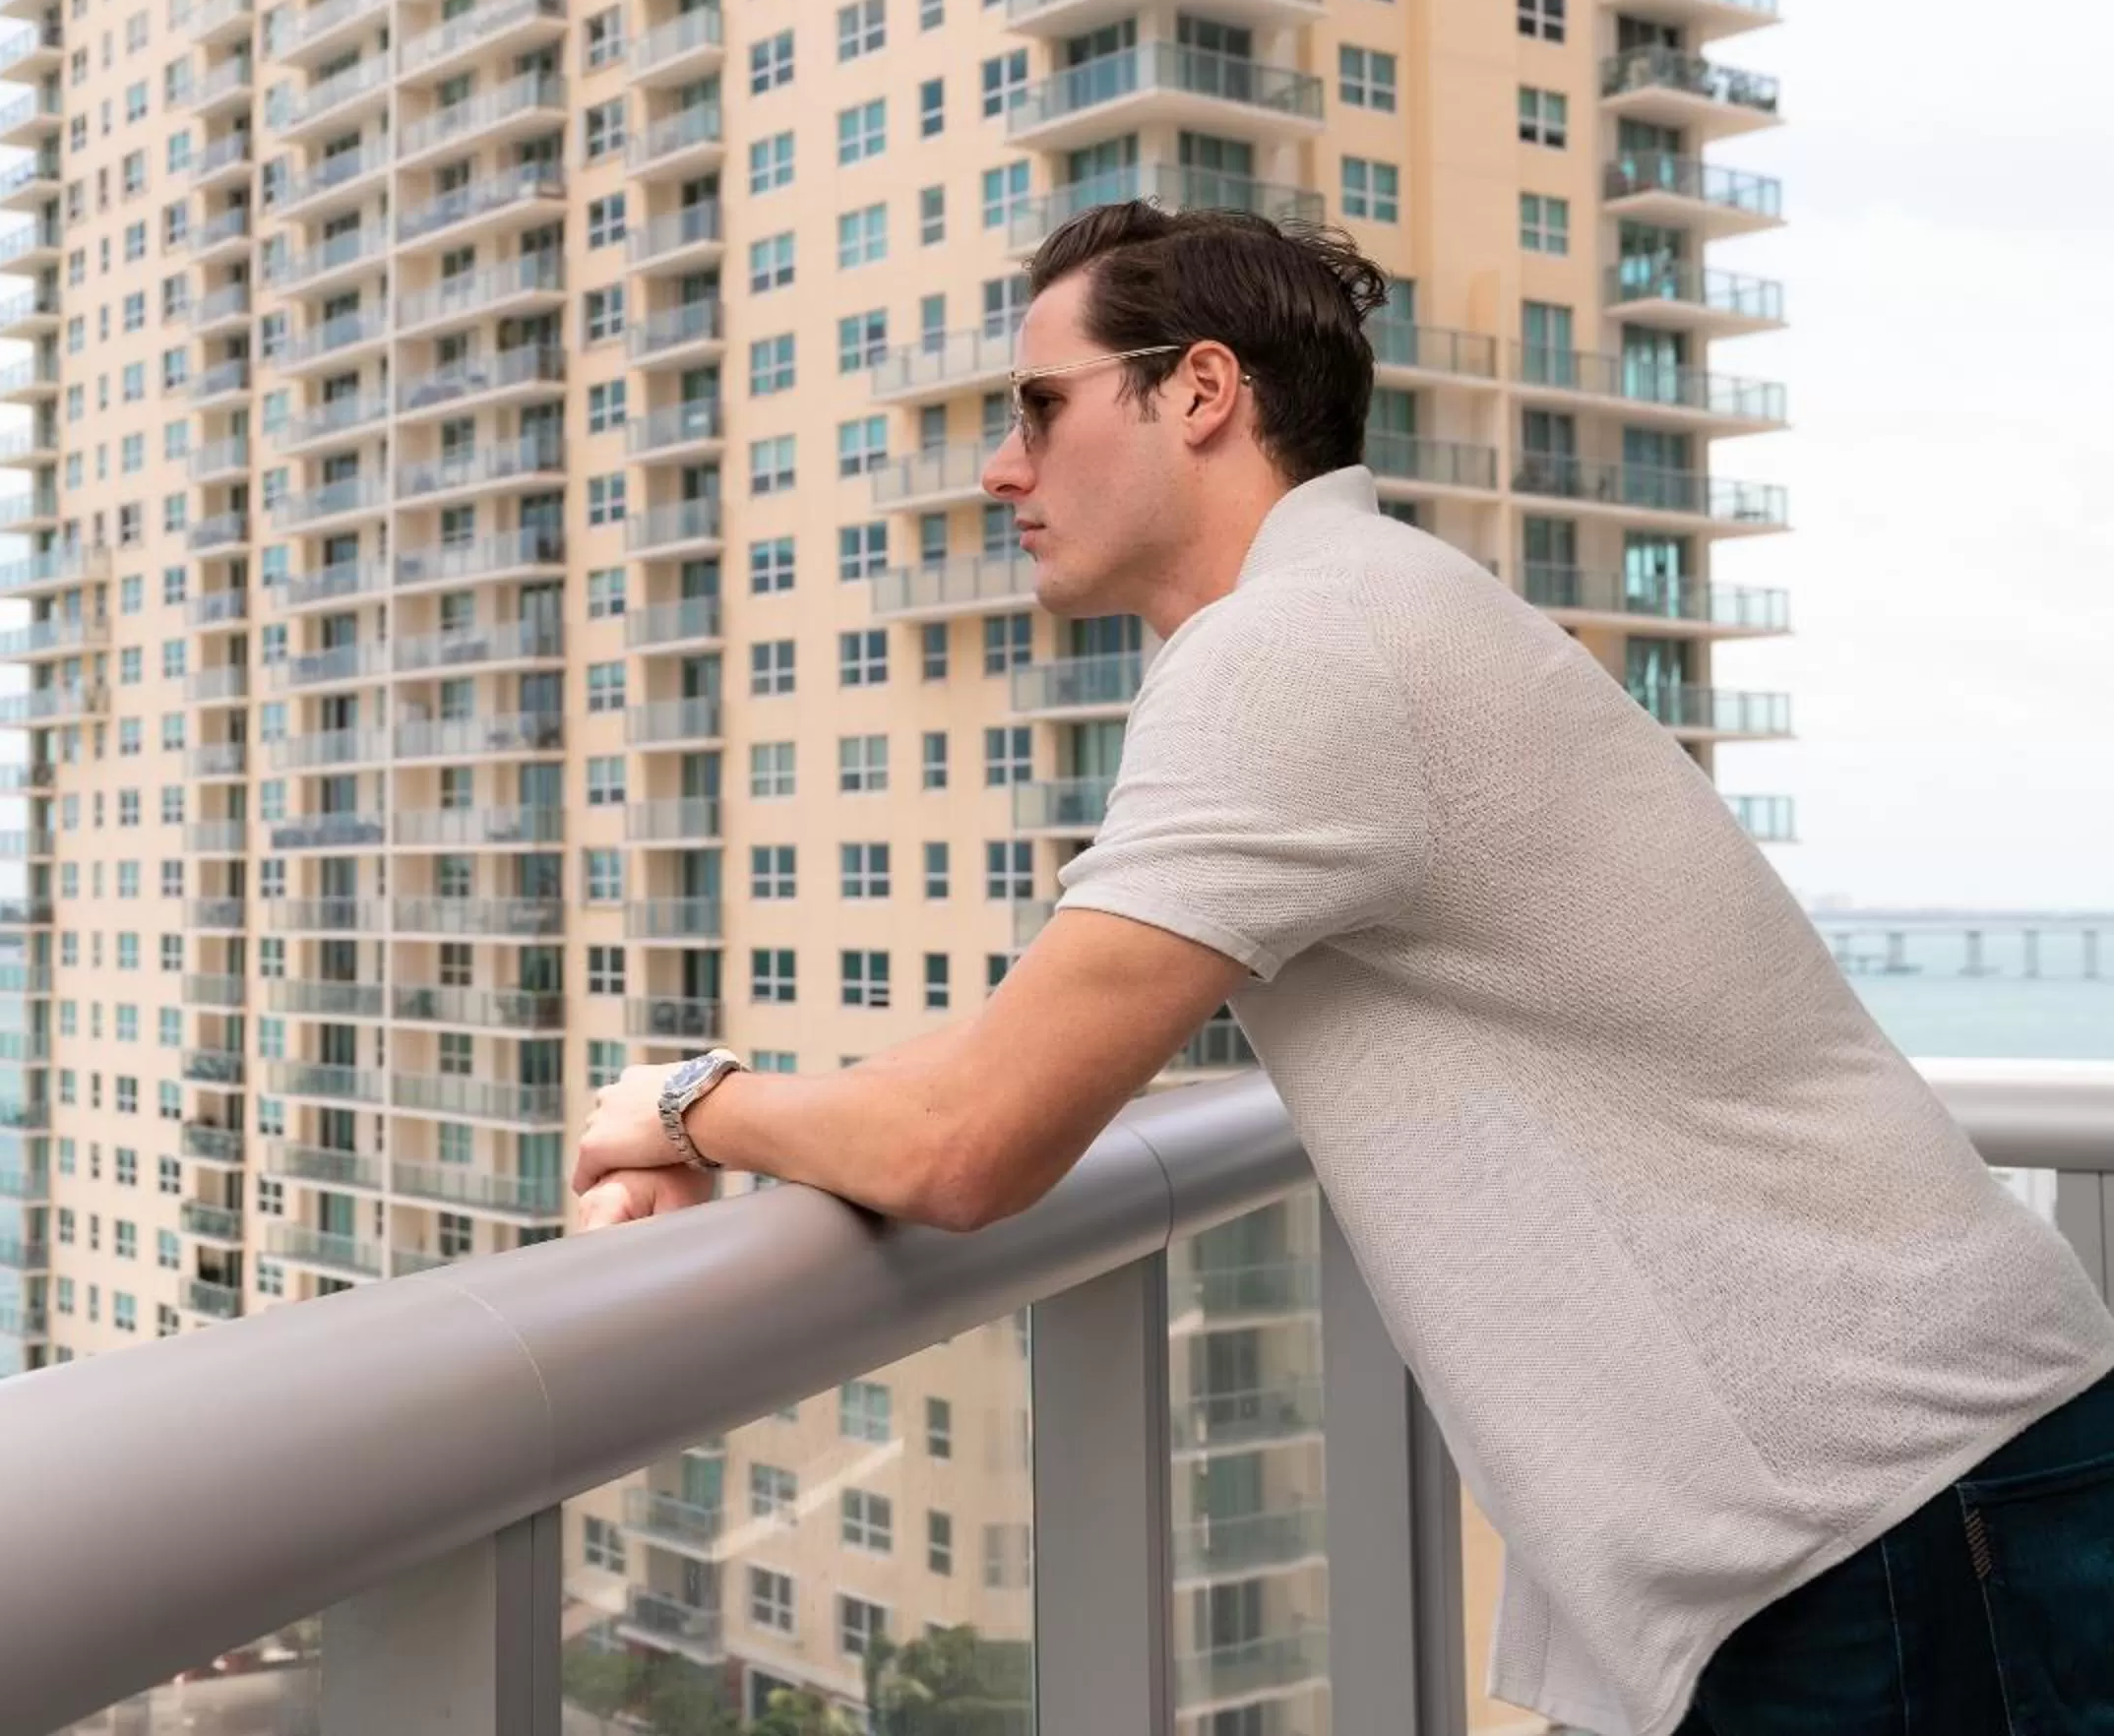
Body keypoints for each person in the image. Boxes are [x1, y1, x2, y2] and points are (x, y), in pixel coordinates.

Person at [568, 202, 2114, 1736]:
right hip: (1914, 1501)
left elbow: (969, 1143)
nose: (1002, 465)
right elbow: (1009, 1050)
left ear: (1199, 392)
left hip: (1892, 1521)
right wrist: (704, 1107)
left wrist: (696, 1106)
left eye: (1042, 404)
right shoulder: (1350, 609)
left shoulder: (1300, 653)